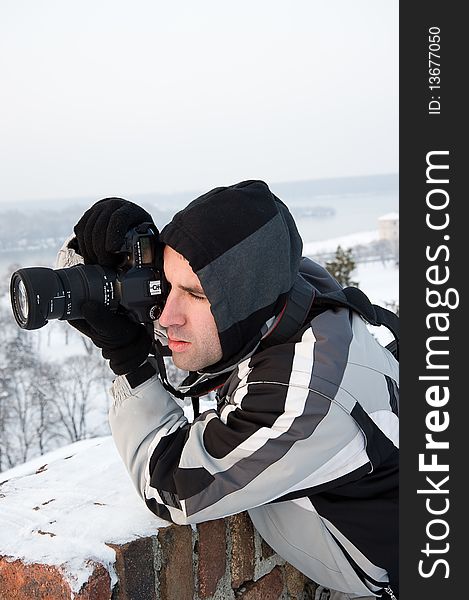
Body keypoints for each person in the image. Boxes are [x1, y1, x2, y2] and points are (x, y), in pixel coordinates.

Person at [58, 180, 399, 599]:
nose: (166, 316)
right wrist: (111, 253)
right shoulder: (286, 288)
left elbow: (170, 486)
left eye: (195, 294)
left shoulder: (302, 398)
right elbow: (211, 313)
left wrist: (130, 362)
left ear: (242, 305)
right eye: (167, 283)